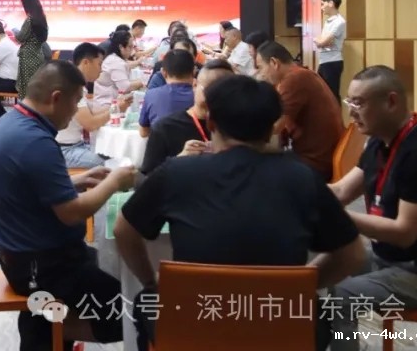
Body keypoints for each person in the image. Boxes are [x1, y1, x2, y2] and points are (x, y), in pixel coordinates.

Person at [115, 74, 365, 351]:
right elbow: (352, 254)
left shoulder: (176, 172)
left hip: (194, 331)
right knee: (323, 317)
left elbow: (123, 229)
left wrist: (150, 281)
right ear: (273, 128)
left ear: (211, 123)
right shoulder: (303, 178)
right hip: (280, 332)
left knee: (146, 302)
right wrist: (300, 283)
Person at [0, 61, 136, 351]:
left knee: (119, 274)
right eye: (76, 102)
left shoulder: (12, 123)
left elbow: (28, 187)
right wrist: (113, 182)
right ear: (56, 98)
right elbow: (72, 213)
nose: (76, 110)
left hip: (27, 255)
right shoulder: (34, 141)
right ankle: (49, 327)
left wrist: (77, 181)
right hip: (42, 266)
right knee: (135, 309)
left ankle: (44, 326)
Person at [324, 66, 417, 350]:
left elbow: (404, 233)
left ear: (391, 101)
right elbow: (341, 191)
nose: (352, 112)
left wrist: (336, 216)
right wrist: (296, 190)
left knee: (343, 297)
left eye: (359, 103)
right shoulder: (377, 143)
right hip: (390, 257)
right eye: (349, 102)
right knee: (331, 262)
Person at [256, 41, 345, 181]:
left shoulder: (294, 79)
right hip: (324, 155)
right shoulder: (301, 73)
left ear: (274, 63)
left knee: (256, 167)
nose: (260, 74)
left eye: (260, 68)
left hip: (316, 162)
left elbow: (275, 126)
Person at [139, 59, 234, 176]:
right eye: (211, 90)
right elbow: (148, 178)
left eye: (227, 91)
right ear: (194, 85)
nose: (218, 96)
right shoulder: (165, 128)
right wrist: (179, 160)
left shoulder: (237, 128)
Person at [56, 43, 123, 168]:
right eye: (99, 64)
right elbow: (90, 124)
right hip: (65, 150)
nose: (101, 69)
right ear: (86, 62)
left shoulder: (76, 84)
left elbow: (91, 113)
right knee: (112, 164)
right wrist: (116, 108)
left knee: (111, 153)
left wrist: (117, 106)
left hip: (77, 145)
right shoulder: (72, 86)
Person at [137, 49, 196, 138]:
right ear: (194, 72)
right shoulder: (201, 97)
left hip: (161, 145)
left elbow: (143, 132)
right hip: (196, 145)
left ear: (164, 73)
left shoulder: (151, 95)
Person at [93, 29, 144, 108]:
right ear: (121, 47)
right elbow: (125, 87)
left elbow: (127, 65)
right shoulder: (115, 62)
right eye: (130, 47)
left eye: (133, 47)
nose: (132, 50)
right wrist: (143, 82)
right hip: (107, 105)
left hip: (110, 101)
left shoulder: (114, 58)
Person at [15, 0, 49, 98]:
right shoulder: (42, 18)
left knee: (27, 88)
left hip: (28, 56)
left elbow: (20, 37)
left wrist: (15, 33)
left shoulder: (30, 19)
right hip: (38, 55)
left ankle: (26, 106)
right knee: (36, 86)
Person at [315, 0, 347, 100]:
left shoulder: (339, 22)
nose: (321, 8)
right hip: (324, 61)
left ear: (331, 3)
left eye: (322, 4)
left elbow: (322, 42)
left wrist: (319, 41)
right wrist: (320, 41)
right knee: (322, 94)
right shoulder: (328, 21)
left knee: (332, 95)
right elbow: (322, 41)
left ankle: (336, 112)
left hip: (332, 62)